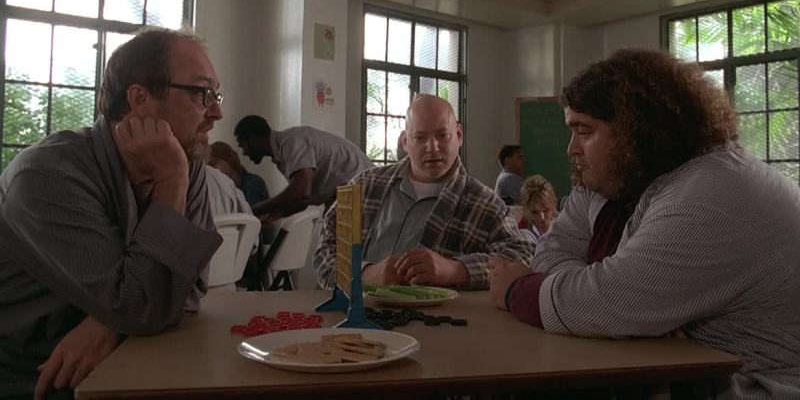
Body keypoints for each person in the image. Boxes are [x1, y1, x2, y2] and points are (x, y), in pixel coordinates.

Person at [488, 49, 800, 398]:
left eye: (584, 131)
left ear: (636, 131)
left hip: (759, 387)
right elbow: (553, 255)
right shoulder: (612, 182)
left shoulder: (712, 191)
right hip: (688, 373)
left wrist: (516, 289)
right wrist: (625, 311)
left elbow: (605, 301)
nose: (571, 149)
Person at [0, 29, 224, 400]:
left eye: (216, 95)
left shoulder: (185, 163)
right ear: (140, 99)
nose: (216, 112)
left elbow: (190, 289)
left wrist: (108, 324)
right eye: (202, 93)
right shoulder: (48, 175)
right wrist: (171, 183)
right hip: (35, 376)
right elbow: (146, 307)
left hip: (127, 357)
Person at [314, 94, 536, 290]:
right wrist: (366, 274)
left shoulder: (484, 204)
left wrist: (456, 270)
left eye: (442, 135)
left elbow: (524, 257)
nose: (432, 147)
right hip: (359, 318)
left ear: (459, 136)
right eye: (420, 138)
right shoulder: (364, 186)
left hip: (439, 322)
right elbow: (325, 252)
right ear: (405, 142)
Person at [233, 115, 374, 218]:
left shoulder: (290, 142)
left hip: (364, 192)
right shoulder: (283, 150)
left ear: (254, 139)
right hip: (353, 192)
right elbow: (302, 201)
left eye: (242, 145)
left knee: (339, 245)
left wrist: (254, 210)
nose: (244, 152)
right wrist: (275, 215)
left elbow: (301, 191)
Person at [208, 140, 269, 210]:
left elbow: (252, 213)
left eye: (213, 164)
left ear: (229, 160)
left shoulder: (253, 183)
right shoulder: (223, 190)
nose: (211, 170)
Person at [518, 174, 558, 243]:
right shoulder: (524, 234)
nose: (541, 218)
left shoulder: (563, 225)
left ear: (553, 206)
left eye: (545, 210)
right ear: (527, 212)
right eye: (535, 212)